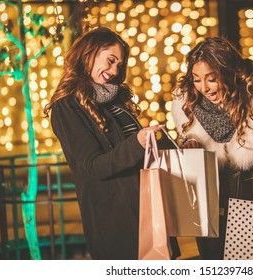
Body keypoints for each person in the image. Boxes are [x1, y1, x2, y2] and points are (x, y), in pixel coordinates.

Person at [43, 27, 168, 260]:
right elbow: (94, 166)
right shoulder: (66, 107)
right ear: (89, 53)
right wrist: (138, 143)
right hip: (116, 222)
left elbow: (135, 154)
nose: (114, 70)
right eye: (110, 61)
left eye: (119, 66)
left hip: (148, 209)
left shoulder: (115, 100)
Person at [171, 37, 253, 259]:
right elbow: (186, 138)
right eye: (196, 80)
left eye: (211, 79)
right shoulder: (188, 104)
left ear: (228, 72)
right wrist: (189, 145)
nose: (204, 87)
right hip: (210, 203)